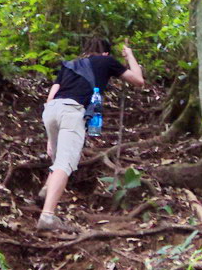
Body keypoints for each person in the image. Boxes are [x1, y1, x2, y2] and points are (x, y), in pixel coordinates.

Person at [38, 35, 145, 232]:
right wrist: (129, 55)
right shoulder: (106, 61)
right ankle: (47, 216)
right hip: (72, 112)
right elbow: (138, 80)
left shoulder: (70, 64)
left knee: (59, 154)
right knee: (65, 163)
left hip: (51, 110)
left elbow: (51, 96)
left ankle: (47, 189)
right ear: (105, 52)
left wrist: (50, 138)